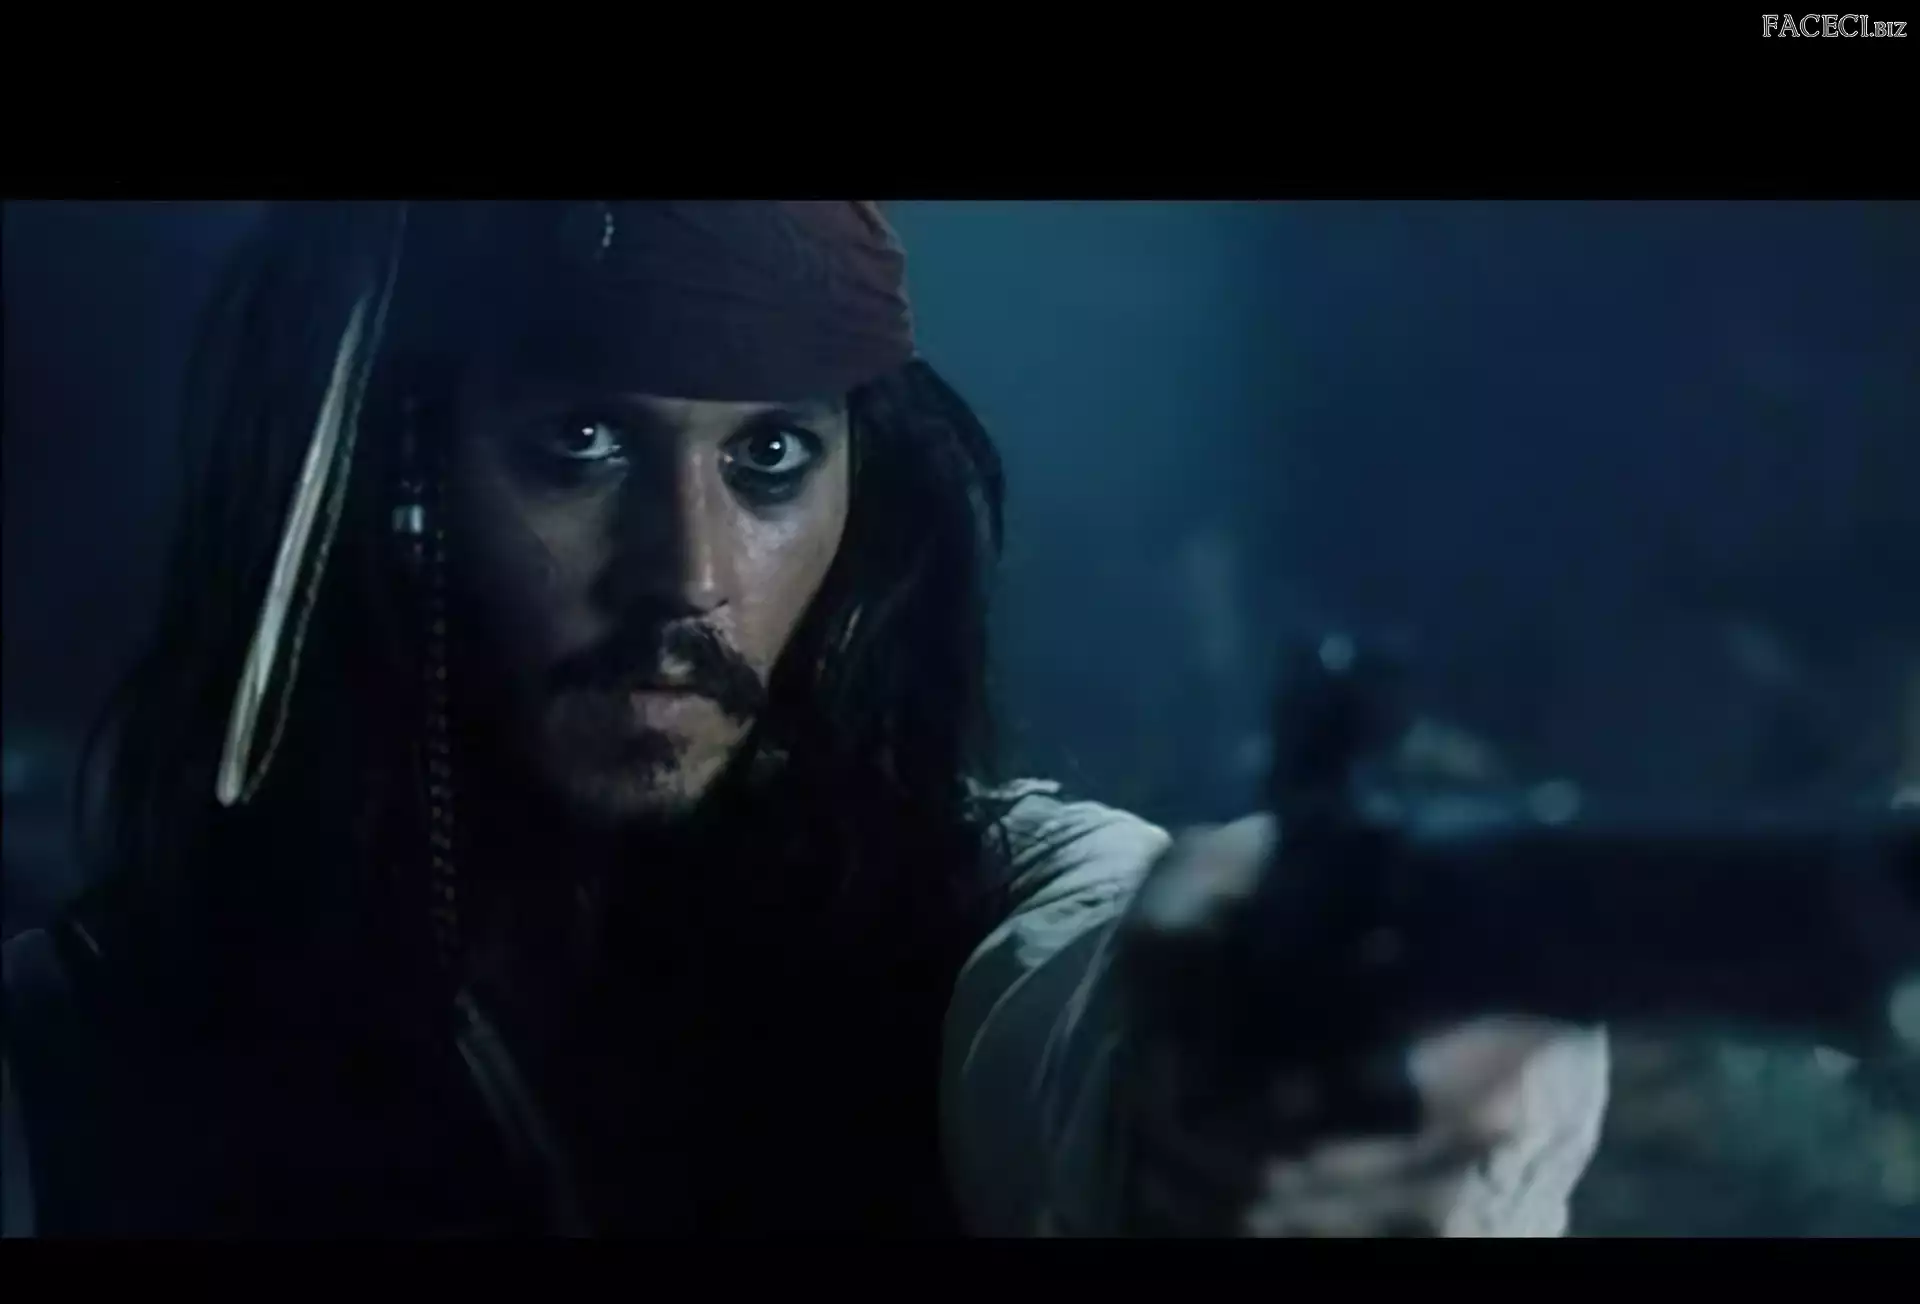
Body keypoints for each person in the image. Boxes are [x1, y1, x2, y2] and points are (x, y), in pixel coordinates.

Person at [0, 202, 1608, 1237]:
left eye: (770, 459)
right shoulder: (90, 1033)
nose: (688, 577)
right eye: (579, 445)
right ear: (392, 496)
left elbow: (1099, 1014)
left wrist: (1280, 1044)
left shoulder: (984, 901)